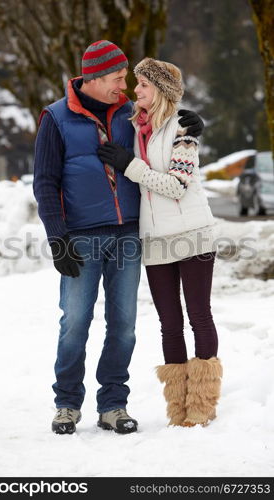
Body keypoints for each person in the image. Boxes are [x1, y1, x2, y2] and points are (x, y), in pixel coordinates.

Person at [33, 41, 204, 435]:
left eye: (126, 78)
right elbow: (45, 183)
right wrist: (57, 237)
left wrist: (193, 121)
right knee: (75, 322)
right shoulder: (56, 118)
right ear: (92, 78)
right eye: (115, 78)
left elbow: (167, 127)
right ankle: (67, 405)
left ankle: (113, 404)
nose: (123, 86)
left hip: (128, 233)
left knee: (123, 324)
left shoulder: (132, 115)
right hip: (80, 238)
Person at [98, 57, 222, 428]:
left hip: (192, 234)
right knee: (169, 322)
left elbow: (176, 185)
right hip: (154, 238)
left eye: (144, 85)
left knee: (199, 316)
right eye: (136, 84)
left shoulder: (183, 128)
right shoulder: (134, 126)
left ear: (161, 91)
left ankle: (202, 401)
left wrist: (128, 165)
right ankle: (177, 405)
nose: (136, 91)